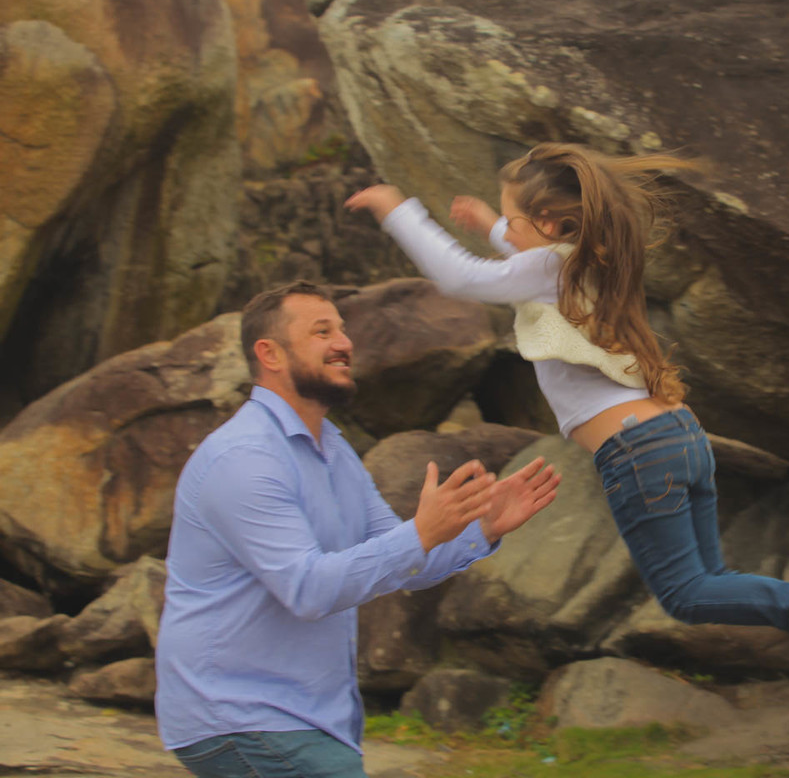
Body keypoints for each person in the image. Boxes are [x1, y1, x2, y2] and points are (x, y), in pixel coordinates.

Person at [344, 142, 789, 722]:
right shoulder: (593, 265)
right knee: (708, 583)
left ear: (551, 225)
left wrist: (396, 209)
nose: (507, 228)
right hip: (678, 436)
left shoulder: (550, 268)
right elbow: (530, 263)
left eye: (512, 219)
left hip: (637, 453)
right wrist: (494, 226)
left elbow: (462, 278)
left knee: (685, 594)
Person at [155, 280, 560, 777]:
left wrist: (482, 528)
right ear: (270, 354)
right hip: (240, 716)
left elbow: (404, 561)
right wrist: (420, 532)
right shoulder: (244, 459)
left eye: (342, 330)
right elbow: (307, 589)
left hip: (301, 719)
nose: (344, 343)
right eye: (322, 332)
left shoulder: (334, 449)